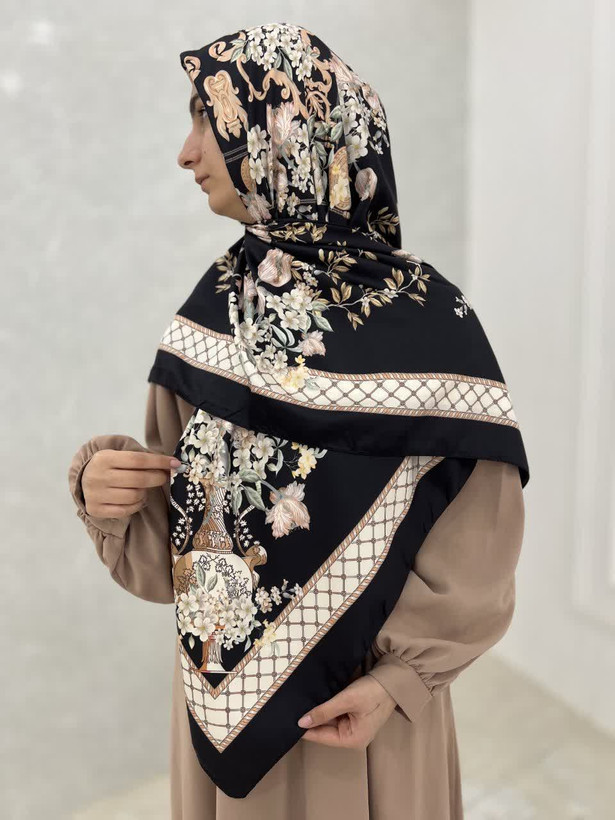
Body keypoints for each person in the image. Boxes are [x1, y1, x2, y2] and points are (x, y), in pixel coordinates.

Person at [68, 21, 527, 819]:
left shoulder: (433, 326)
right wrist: (106, 491)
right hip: (220, 706)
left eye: (206, 120)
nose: (185, 153)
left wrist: (395, 684)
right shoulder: (217, 309)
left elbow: (480, 542)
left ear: (285, 135)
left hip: (368, 729)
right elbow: (180, 547)